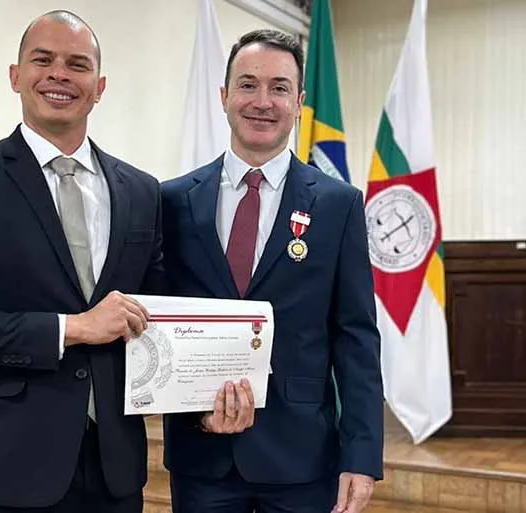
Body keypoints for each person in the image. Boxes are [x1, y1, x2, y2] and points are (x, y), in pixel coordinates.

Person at [0, 10, 164, 513]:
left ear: (99, 85)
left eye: (77, 64)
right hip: (8, 466)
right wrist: (71, 329)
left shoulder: (142, 191)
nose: (59, 75)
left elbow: (158, 313)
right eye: (42, 60)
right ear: (15, 75)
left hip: (115, 467)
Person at [161, 29, 383, 513]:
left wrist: (362, 455)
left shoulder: (338, 205)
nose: (262, 101)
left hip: (303, 455)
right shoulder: (172, 201)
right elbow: (162, 324)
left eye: (279, 88)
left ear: (298, 102)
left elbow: (356, 337)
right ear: (223, 96)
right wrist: (198, 409)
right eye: (247, 85)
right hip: (202, 455)